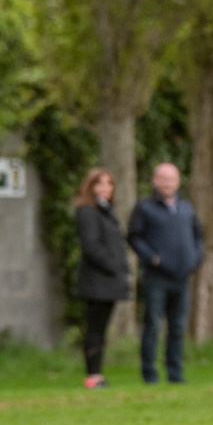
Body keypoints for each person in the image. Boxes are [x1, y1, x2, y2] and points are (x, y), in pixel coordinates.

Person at [128, 162, 203, 384]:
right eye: (163, 178)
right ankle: (149, 374)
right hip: (156, 278)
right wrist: (153, 259)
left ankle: (175, 373)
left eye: (171, 179)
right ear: (154, 181)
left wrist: (195, 258)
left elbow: (199, 236)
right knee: (152, 324)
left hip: (182, 277)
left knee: (178, 327)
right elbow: (134, 237)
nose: (167, 183)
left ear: (178, 181)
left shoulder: (186, 207)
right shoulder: (144, 207)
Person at [74, 167, 131, 389]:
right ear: (91, 187)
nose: (105, 188)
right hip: (97, 283)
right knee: (95, 329)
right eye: (100, 184)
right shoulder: (87, 212)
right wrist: (113, 266)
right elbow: (92, 246)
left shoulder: (107, 211)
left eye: (109, 184)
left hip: (108, 282)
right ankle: (93, 375)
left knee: (101, 329)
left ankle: (97, 373)